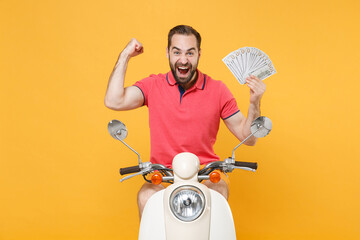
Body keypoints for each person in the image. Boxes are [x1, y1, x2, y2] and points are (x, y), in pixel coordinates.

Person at [105, 25, 266, 218]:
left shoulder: (218, 90)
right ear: (167, 53)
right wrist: (125, 55)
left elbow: (248, 138)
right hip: (164, 175)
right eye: (177, 52)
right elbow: (113, 100)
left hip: (205, 174)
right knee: (146, 196)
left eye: (190, 53)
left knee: (217, 193)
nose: (183, 60)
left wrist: (254, 102)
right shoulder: (153, 85)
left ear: (199, 54)